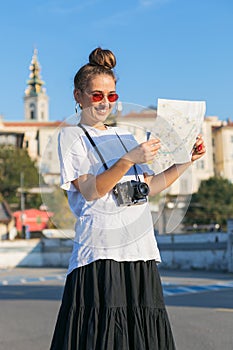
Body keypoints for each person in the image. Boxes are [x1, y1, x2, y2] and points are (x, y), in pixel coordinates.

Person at [50, 47, 205, 350]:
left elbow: (148, 187)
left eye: (112, 95)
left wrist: (187, 161)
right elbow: (92, 190)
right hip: (101, 252)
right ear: (78, 96)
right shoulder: (71, 136)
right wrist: (128, 159)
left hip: (140, 248)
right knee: (102, 336)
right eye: (97, 95)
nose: (105, 102)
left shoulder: (126, 136)